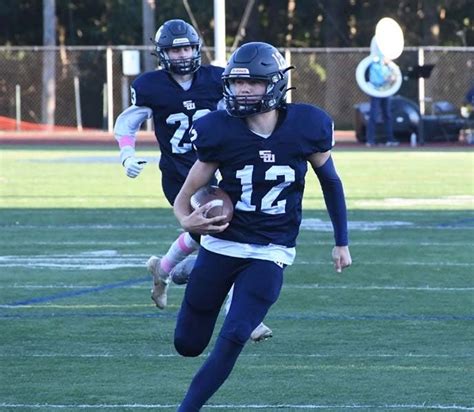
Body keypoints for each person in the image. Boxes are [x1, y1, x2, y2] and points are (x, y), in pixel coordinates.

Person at [172, 41, 352, 410]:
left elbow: (331, 182)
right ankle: (200, 271)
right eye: (237, 83)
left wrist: (341, 241)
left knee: (236, 332)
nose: (242, 90)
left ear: (274, 84)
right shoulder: (218, 129)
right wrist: (185, 218)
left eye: (251, 83)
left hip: (271, 249)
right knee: (187, 345)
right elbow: (188, 190)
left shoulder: (307, 125)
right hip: (223, 244)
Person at [113, 19, 272, 342]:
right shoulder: (151, 86)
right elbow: (128, 122)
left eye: (186, 47)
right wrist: (126, 155)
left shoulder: (215, 78)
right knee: (225, 237)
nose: (182, 54)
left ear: (197, 48)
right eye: (175, 49)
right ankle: (239, 314)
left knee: (222, 232)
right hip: (179, 175)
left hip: (217, 167)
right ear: (162, 54)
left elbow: (236, 111)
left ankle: (165, 269)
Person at [365, 56, 400, 147]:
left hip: (386, 92)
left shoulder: (389, 67)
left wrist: (392, 77)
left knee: (387, 115)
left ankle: (389, 139)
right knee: (373, 115)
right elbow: (375, 79)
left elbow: (393, 78)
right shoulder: (374, 65)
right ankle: (370, 140)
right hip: (376, 92)